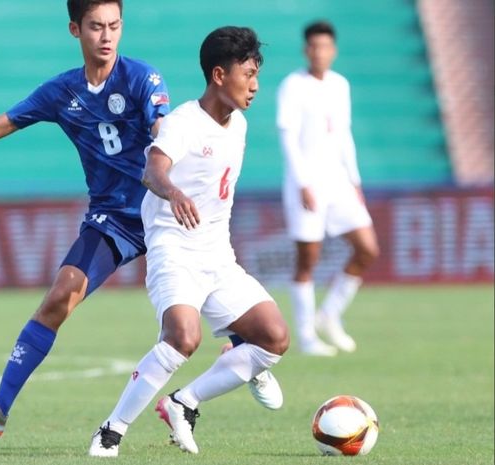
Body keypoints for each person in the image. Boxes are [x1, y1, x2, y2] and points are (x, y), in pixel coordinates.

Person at [0, 0, 171, 439]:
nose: (106, 36)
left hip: (163, 212)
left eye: (114, 26)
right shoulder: (63, 92)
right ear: (74, 30)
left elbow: (163, 134)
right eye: (96, 26)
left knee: (196, 317)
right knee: (60, 295)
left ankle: (247, 356)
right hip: (111, 220)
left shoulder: (142, 78)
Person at [89, 26, 289, 457]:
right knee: (183, 335)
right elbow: (154, 171)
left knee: (273, 337)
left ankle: (185, 402)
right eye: (247, 74)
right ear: (219, 74)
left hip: (217, 255)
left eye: (257, 75)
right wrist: (175, 193)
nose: (254, 85)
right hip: (174, 249)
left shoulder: (239, 125)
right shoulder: (183, 123)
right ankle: (111, 431)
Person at [277, 20, 380, 356]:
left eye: (325, 47)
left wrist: (355, 180)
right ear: (306, 50)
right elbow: (288, 137)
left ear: (333, 50)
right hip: (306, 184)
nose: (319, 52)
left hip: (339, 182)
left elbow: (344, 136)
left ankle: (329, 314)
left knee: (367, 248)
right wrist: (303, 182)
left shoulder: (340, 85)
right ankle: (306, 336)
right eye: (313, 46)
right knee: (308, 258)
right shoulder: (293, 86)